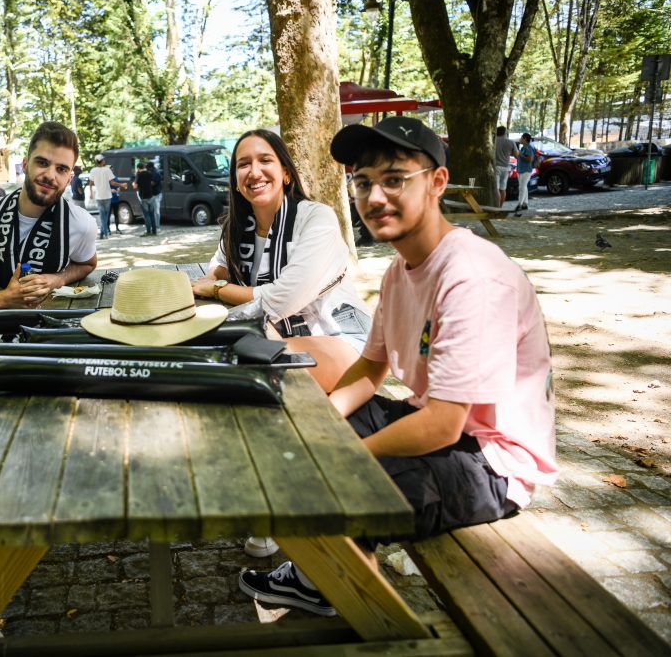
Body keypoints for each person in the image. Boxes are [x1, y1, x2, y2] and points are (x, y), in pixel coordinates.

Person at [238, 116, 557, 616]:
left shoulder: (471, 276)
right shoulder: (399, 270)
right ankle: (323, 581)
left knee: (333, 478)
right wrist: (321, 425)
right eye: (363, 182)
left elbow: (445, 423)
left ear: (437, 182)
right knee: (291, 429)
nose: (375, 196)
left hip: (493, 463)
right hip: (435, 425)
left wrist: (346, 454)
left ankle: (358, 605)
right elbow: (370, 369)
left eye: (394, 179)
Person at [190, 129, 373, 559]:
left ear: (286, 172)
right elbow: (218, 268)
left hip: (339, 339)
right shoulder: (238, 226)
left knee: (254, 371)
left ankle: (280, 507)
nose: (253, 171)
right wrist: (215, 280)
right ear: (235, 179)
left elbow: (279, 299)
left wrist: (215, 291)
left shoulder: (316, 219)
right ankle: (266, 492)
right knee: (224, 361)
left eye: (264, 160)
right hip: (276, 336)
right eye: (243, 164)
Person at [0, 121, 98, 314]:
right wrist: (0, 299)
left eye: (61, 169)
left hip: (49, 328)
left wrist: (57, 279)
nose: (50, 175)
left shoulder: (81, 223)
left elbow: (88, 264)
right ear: (25, 164)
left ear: (69, 178)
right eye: (42, 163)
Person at [87, 154, 124, 239]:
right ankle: (105, 233)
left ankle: (103, 233)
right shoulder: (107, 170)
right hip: (107, 196)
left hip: (98, 196)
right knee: (106, 215)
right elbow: (112, 183)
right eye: (104, 160)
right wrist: (121, 185)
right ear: (102, 161)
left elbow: (90, 183)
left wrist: (91, 193)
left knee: (102, 215)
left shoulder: (93, 170)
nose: (104, 161)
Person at [494, 126, 519, 205]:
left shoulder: (493, 141)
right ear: (505, 133)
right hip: (506, 168)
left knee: (496, 189)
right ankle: (501, 207)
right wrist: (509, 152)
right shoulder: (511, 142)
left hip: (496, 167)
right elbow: (516, 155)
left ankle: (497, 207)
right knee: (503, 189)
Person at [133, 161, 157, 235]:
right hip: (151, 196)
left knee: (146, 215)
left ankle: (148, 231)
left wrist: (133, 183)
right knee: (152, 214)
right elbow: (152, 183)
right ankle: (154, 231)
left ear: (138, 168)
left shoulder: (138, 175)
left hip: (143, 197)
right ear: (143, 167)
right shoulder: (149, 173)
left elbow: (135, 186)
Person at [515, 132, 534, 212]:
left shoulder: (528, 148)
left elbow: (530, 159)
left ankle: (519, 204)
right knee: (523, 187)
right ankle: (525, 204)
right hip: (521, 170)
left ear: (525, 139)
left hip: (526, 170)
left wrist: (520, 154)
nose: (520, 139)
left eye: (521, 138)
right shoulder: (523, 148)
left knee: (522, 187)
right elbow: (520, 157)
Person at [147, 161, 162, 231]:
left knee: (156, 212)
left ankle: (157, 227)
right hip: (152, 194)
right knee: (151, 211)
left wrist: (144, 183)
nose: (147, 169)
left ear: (151, 168)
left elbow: (152, 183)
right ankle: (152, 226)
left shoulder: (156, 173)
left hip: (156, 194)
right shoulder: (152, 172)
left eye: (148, 168)